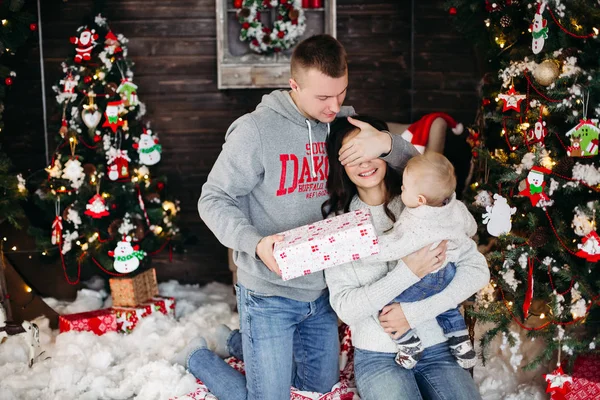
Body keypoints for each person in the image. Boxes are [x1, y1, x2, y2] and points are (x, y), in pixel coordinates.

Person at [192, 35, 420, 400]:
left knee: (317, 389)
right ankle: (199, 357)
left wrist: (387, 143)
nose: (335, 106)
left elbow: (417, 168)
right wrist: (255, 243)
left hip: (324, 293)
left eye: (341, 93)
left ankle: (239, 343)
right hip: (269, 293)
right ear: (294, 85)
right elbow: (213, 198)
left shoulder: (345, 123)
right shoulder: (255, 131)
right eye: (323, 97)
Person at [323, 115, 489, 400]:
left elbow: (477, 270)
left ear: (385, 152)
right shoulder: (340, 225)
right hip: (379, 356)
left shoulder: (423, 203)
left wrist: (413, 314)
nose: (364, 163)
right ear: (340, 164)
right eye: (352, 155)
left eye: (370, 151)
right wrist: (408, 272)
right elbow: (345, 308)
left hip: (439, 348)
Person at [364, 151, 479, 370]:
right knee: (447, 306)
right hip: (449, 270)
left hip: (426, 277)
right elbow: (471, 227)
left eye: (405, 188)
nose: (401, 190)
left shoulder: (415, 221)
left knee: (386, 306)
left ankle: (409, 343)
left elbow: (393, 246)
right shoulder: (456, 207)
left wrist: (367, 249)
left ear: (420, 200)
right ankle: (460, 340)